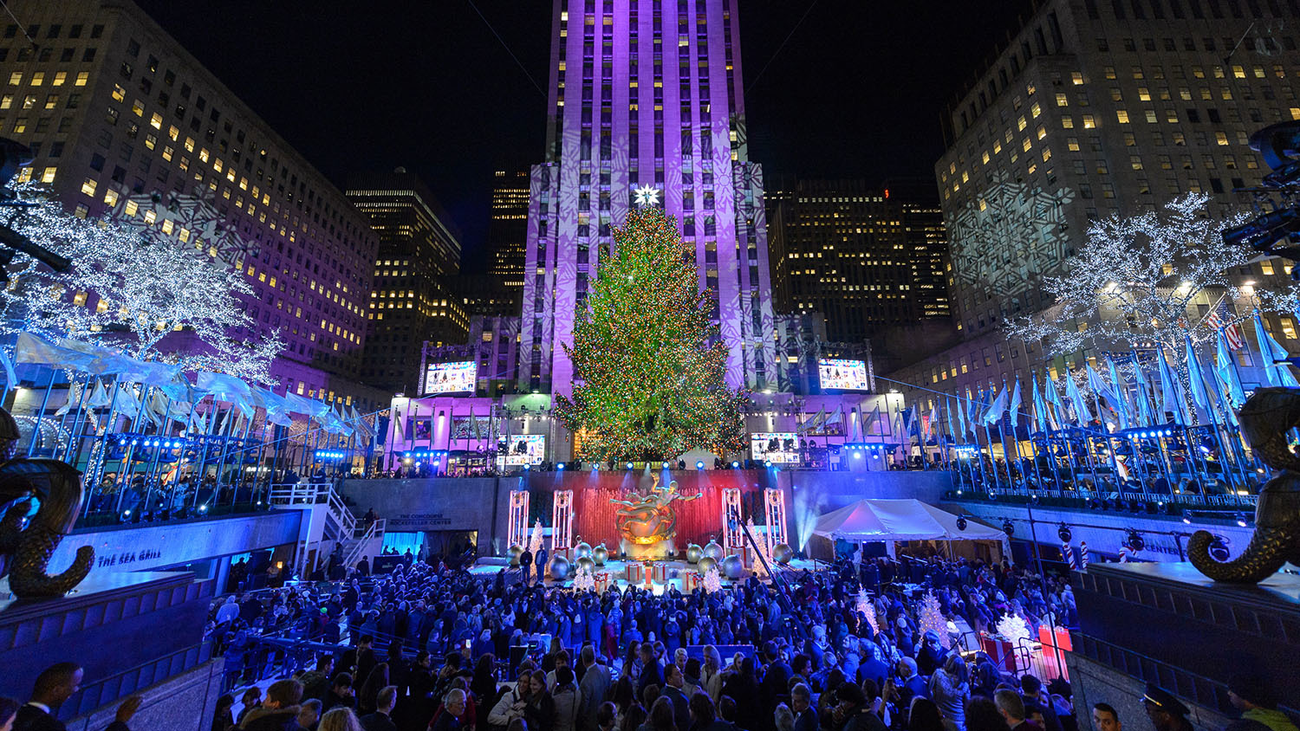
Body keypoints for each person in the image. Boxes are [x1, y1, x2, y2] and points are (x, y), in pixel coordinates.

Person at [15, 662, 142, 731]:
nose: (76, 690)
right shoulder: (49, 726)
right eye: (74, 685)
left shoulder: (13, 713)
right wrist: (120, 722)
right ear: (57, 690)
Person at [1228, 674, 1298, 731]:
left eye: (1232, 691)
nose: (1228, 693)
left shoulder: (1243, 727)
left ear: (1246, 698)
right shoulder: (1283, 721)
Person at [241, 680, 305, 731]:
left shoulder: (259, 725)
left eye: (267, 698)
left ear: (275, 704)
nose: (262, 703)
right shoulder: (295, 725)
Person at [929, 656, 969, 731]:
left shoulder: (938, 675)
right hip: (958, 721)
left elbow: (930, 691)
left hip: (940, 717)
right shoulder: (964, 685)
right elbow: (967, 705)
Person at [580, 647, 613, 731]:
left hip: (592, 723)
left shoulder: (585, 681)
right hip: (607, 720)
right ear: (595, 657)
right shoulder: (605, 669)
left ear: (583, 660)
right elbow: (610, 691)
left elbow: (583, 707)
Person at [660, 665, 690, 731]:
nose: (681, 675)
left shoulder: (662, 691)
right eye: (677, 674)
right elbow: (685, 725)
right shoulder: (681, 699)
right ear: (669, 679)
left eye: (680, 672)